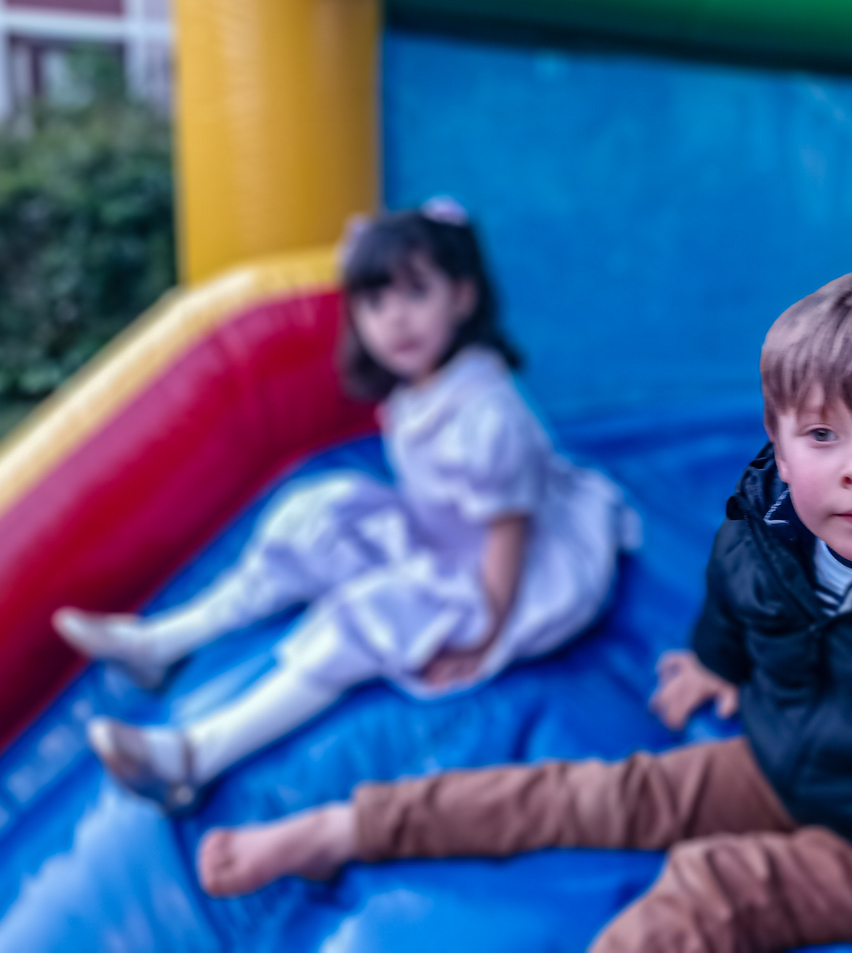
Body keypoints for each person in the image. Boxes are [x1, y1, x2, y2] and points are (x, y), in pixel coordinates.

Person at [194, 268, 852, 952]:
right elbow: (741, 608)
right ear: (778, 443)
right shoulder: (765, 538)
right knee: (598, 792)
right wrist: (715, 665)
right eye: (823, 434)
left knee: (717, 884)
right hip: (792, 760)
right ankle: (351, 828)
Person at [54, 198, 639, 812]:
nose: (396, 320)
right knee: (315, 520)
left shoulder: (488, 414)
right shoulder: (423, 387)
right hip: (447, 534)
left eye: (416, 295)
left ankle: (193, 757)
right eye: (375, 303)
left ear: (462, 297)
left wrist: (485, 636)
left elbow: (507, 536)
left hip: (511, 576)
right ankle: (162, 644)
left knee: (361, 618)